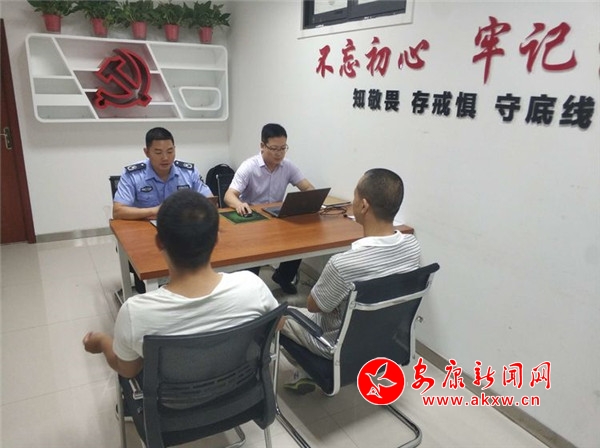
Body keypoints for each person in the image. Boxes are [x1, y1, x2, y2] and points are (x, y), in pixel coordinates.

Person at [83, 190, 280, 429]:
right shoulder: (252, 286)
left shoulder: (136, 312)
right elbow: (277, 324)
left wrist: (102, 342)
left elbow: (128, 369)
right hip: (240, 397)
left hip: (173, 414)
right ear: (216, 239)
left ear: (159, 242)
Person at [282, 168, 421, 394]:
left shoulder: (343, 264)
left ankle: (302, 373)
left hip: (337, 345)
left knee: (279, 314)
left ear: (363, 206)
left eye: (354, 195)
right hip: (386, 338)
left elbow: (314, 306)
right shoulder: (412, 247)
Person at [224, 123, 315, 294]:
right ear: (262, 146)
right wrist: (239, 204)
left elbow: (308, 187)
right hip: (252, 220)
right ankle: (249, 288)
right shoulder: (249, 166)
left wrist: (311, 199)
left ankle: (283, 277)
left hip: (276, 218)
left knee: (300, 239)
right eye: (274, 148)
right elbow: (229, 195)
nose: (279, 153)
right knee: (252, 263)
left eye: (283, 148)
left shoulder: (288, 166)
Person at [113, 127, 213, 221]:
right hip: (145, 227)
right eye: (158, 152)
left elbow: (210, 202)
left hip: (183, 225)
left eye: (170, 151)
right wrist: (155, 211)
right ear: (147, 152)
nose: (165, 158)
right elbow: (118, 212)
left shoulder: (189, 172)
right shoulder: (132, 175)